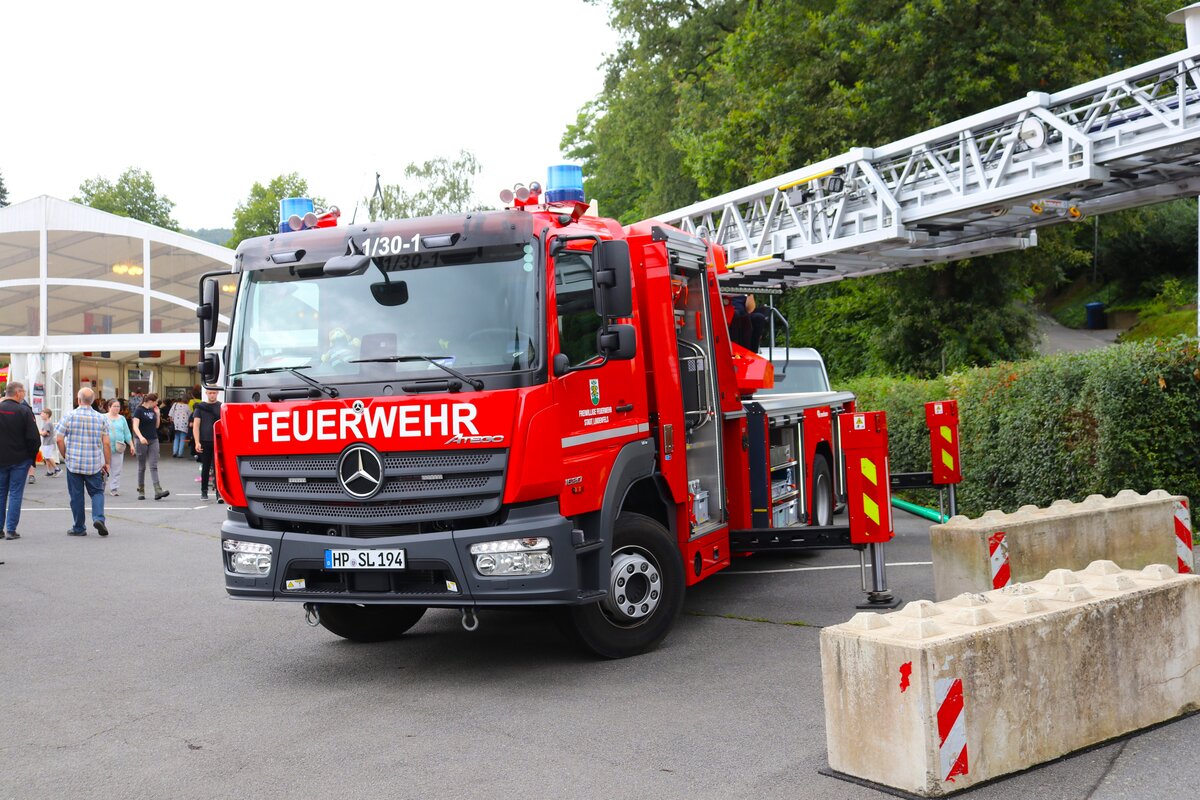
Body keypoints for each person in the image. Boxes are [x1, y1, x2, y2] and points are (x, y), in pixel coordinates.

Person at [55, 386, 111, 537]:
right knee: (97, 492)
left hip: (74, 463)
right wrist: (107, 462)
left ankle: (79, 527)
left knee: (76, 496)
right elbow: (106, 443)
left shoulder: (69, 416)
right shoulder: (101, 418)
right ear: (93, 401)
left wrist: (65, 455)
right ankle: (99, 518)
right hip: (93, 463)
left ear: (78, 400)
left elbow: (59, 439)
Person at [0, 382, 41, 540]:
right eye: (23, 391)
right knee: (16, 494)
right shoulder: (24, 410)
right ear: (17, 393)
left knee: (1, 493)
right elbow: (33, 438)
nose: (24, 394)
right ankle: (11, 529)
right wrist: (31, 457)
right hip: (19, 458)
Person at [131, 392, 169, 501]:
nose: (157, 404)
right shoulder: (139, 410)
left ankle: (158, 490)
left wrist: (157, 414)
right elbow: (135, 426)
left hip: (153, 439)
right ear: (151, 401)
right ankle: (141, 490)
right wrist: (140, 437)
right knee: (141, 466)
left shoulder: (153, 410)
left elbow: (156, 426)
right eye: (156, 402)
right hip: (141, 440)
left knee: (153, 465)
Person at [191, 388, 223, 502]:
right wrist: (197, 442)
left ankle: (219, 493)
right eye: (210, 393)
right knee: (205, 467)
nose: (212, 395)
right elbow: (196, 425)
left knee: (217, 467)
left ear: (217, 393)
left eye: (214, 393)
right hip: (204, 441)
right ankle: (204, 491)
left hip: (218, 440)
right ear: (206, 393)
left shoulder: (221, 407)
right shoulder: (200, 407)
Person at [105, 398, 133, 496]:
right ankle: (101, 486)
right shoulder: (102, 417)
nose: (117, 408)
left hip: (118, 448)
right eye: (114, 406)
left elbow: (127, 433)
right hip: (105, 448)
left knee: (117, 470)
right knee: (103, 468)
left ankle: (114, 488)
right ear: (109, 407)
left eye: (118, 406)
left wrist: (131, 445)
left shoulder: (122, 418)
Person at [38, 409, 61, 477]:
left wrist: (39, 432)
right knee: (46, 457)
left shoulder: (48, 423)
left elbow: (45, 433)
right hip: (47, 442)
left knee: (48, 456)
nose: (41, 415)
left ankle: (57, 469)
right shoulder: (47, 423)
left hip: (48, 442)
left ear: (47, 415)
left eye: (42, 413)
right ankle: (49, 471)